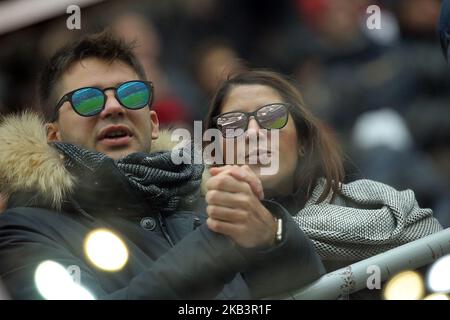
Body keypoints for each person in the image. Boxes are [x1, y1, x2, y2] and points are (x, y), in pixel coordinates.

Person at [0, 32, 324, 299]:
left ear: (153, 124)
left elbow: (305, 285)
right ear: (53, 135)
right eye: (87, 99)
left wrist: (270, 234)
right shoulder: (25, 227)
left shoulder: (199, 192)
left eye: (131, 94)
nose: (113, 107)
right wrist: (218, 245)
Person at [202, 70, 442, 272]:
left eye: (273, 116)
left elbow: (431, 237)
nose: (253, 132)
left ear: (303, 142)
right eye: (233, 123)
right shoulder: (204, 235)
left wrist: (275, 233)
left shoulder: (371, 201)